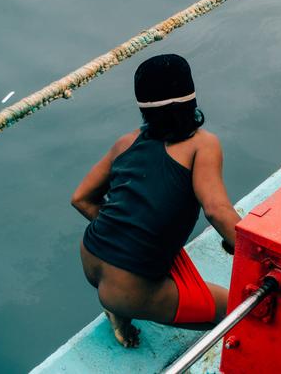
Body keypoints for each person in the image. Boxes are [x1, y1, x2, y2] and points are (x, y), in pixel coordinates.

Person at [71, 53, 241, 348]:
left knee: (128, 283)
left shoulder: (127, 141)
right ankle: (121, 305)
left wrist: (129, 233)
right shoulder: (203, 144)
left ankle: (118, 310)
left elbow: (81, 199)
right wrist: (257, 254)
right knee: (235, 311)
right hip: (130, 286)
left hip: (91, 258)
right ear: (191, 99)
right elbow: (217, 211)